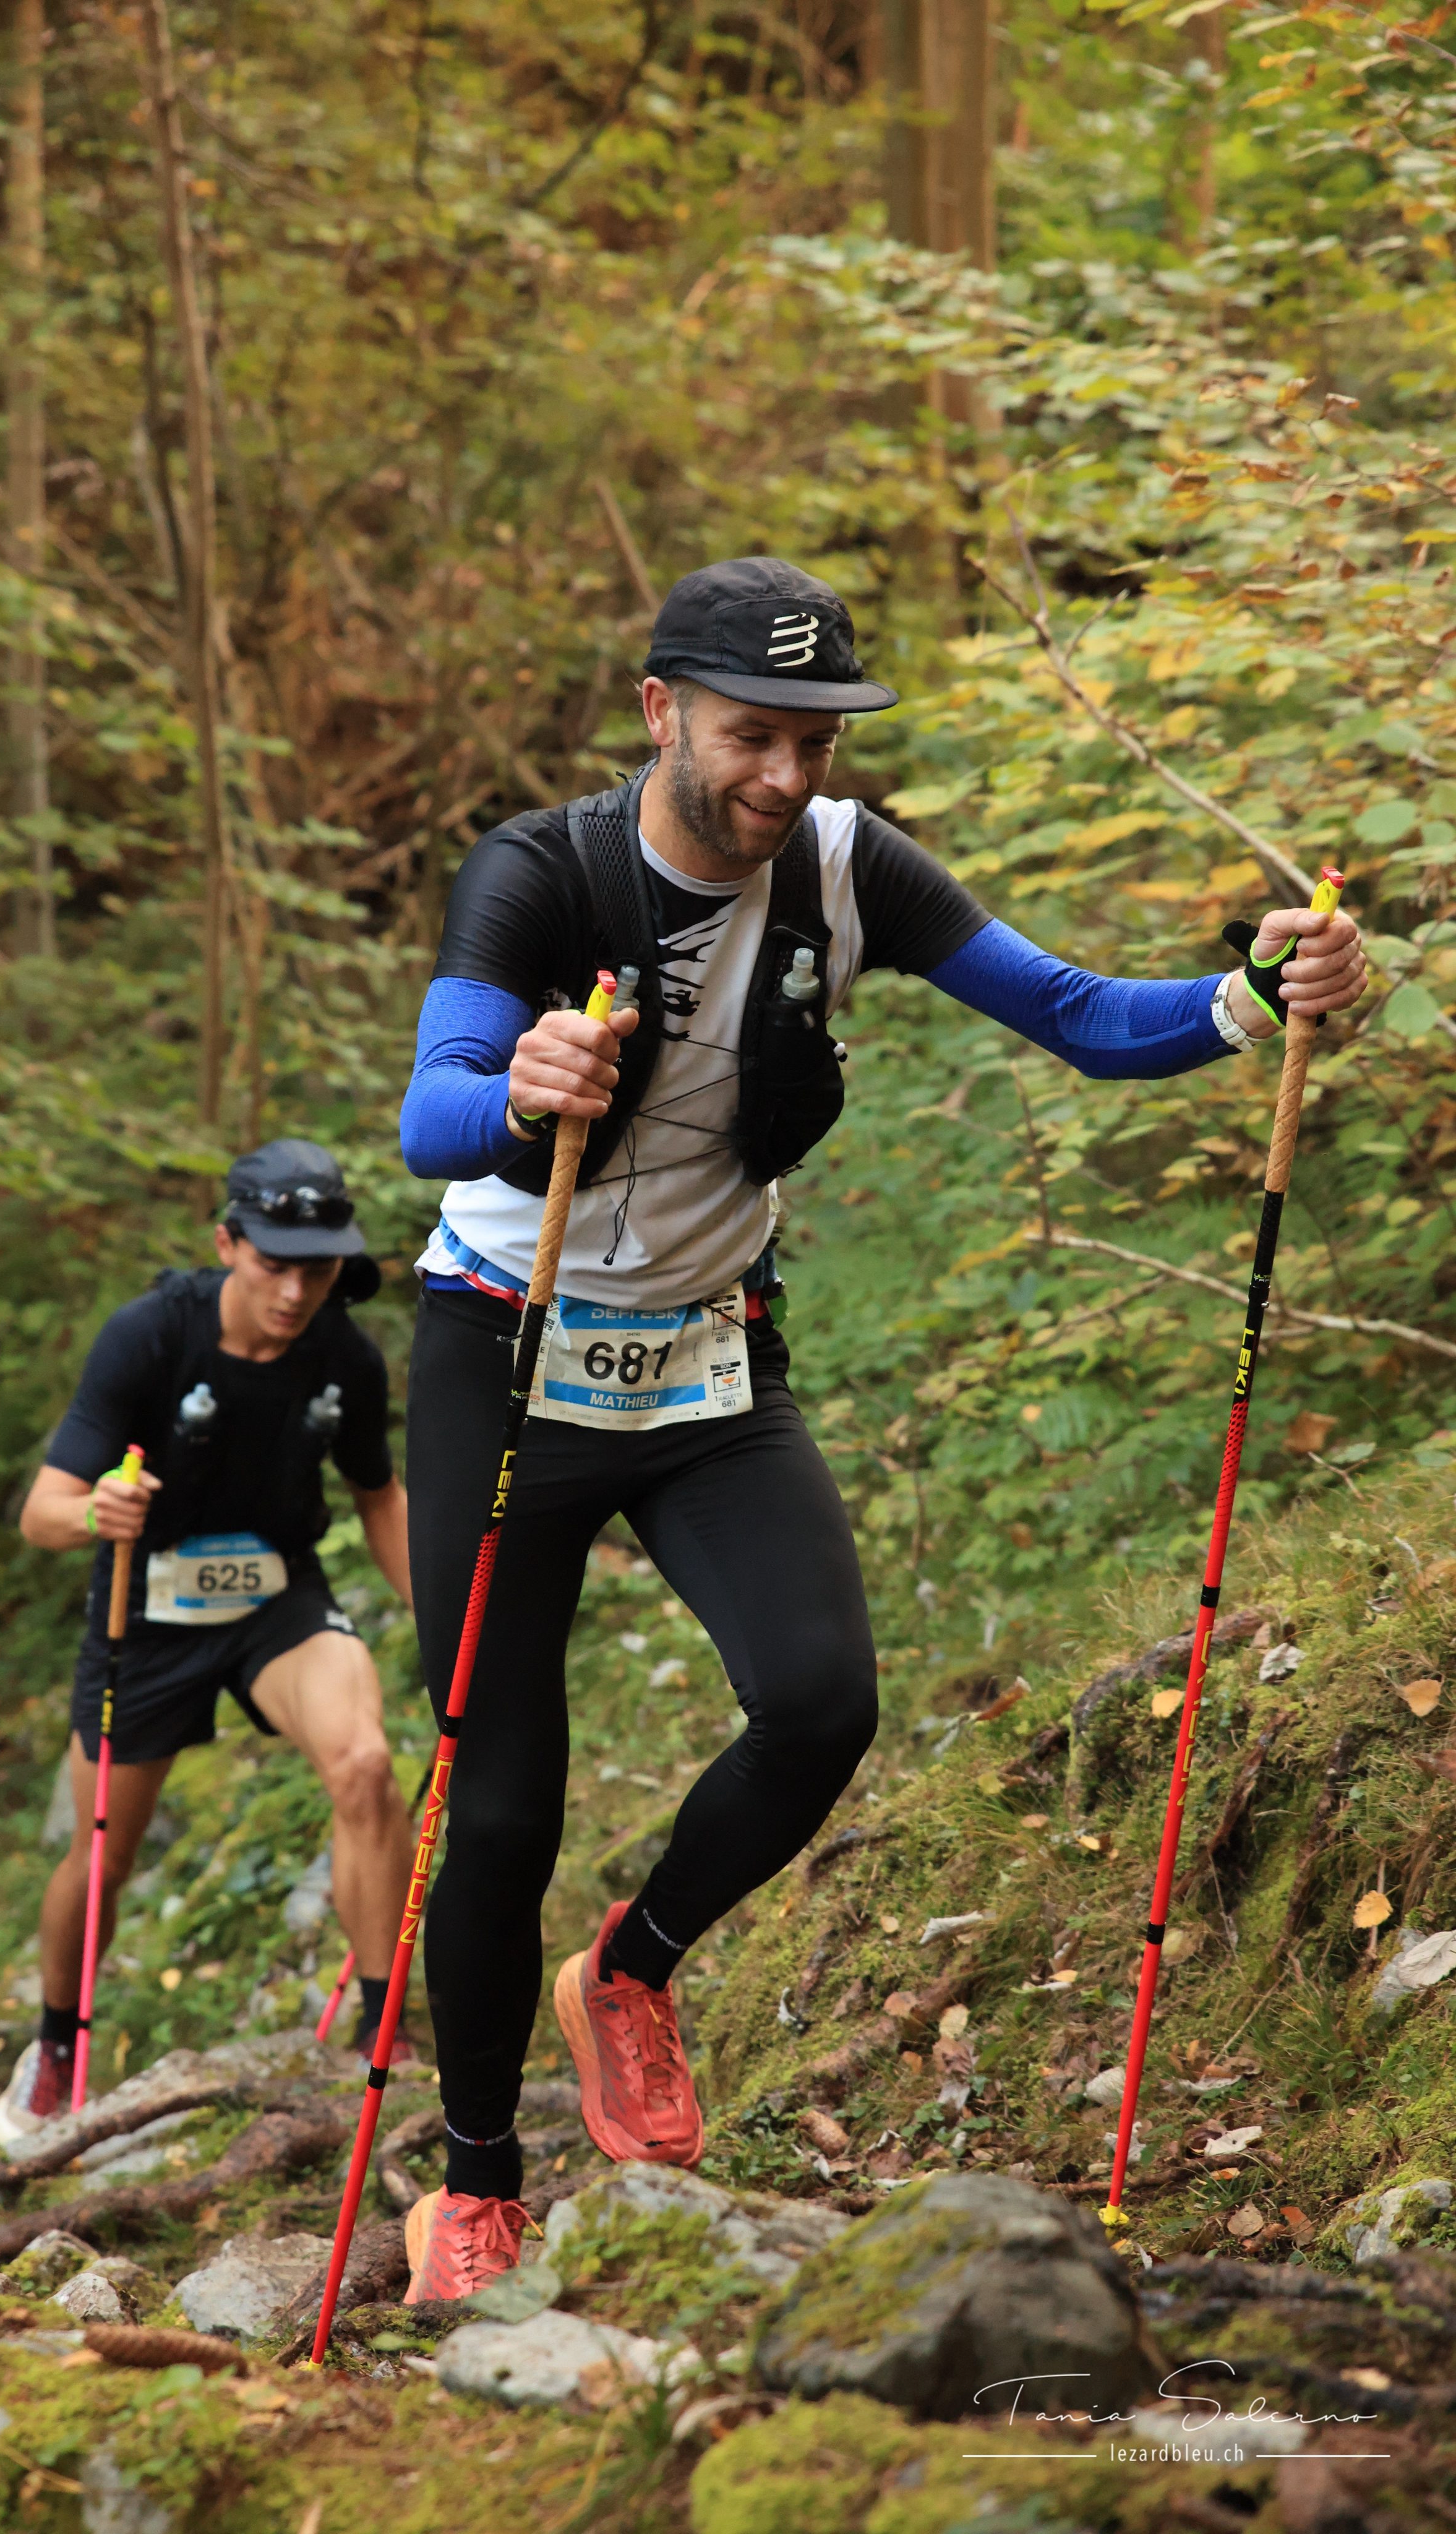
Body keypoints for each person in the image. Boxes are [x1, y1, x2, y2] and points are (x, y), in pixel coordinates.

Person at [393, 555, 1367, 2298]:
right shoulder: (541, 871)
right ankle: (472, 2187)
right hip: (506, 1347)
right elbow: (428, 1112)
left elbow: (1081, 1018)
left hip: (705, 1360)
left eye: (815, 741)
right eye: (749, 737)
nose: (784, 776)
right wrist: (516, 1096)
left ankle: (632, 1967)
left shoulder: (850, 868)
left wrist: (1247, 997)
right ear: (661, 713)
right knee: (505, 1799)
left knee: (821, 1698)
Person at [0, 1138, 417, 2145]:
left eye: (318, 1269)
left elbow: (378, 1494)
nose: (296, 1290)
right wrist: (96, 1511)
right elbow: (42, 1513)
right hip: (148, 1612)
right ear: (227, 1243)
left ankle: (381, 2028)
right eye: (275, 1263)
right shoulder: (148, 1337)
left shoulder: (344, 1357)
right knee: (105, 1851)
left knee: (364, 1765)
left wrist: (445, 1627)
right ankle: (55, 2046)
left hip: (277, 1599)